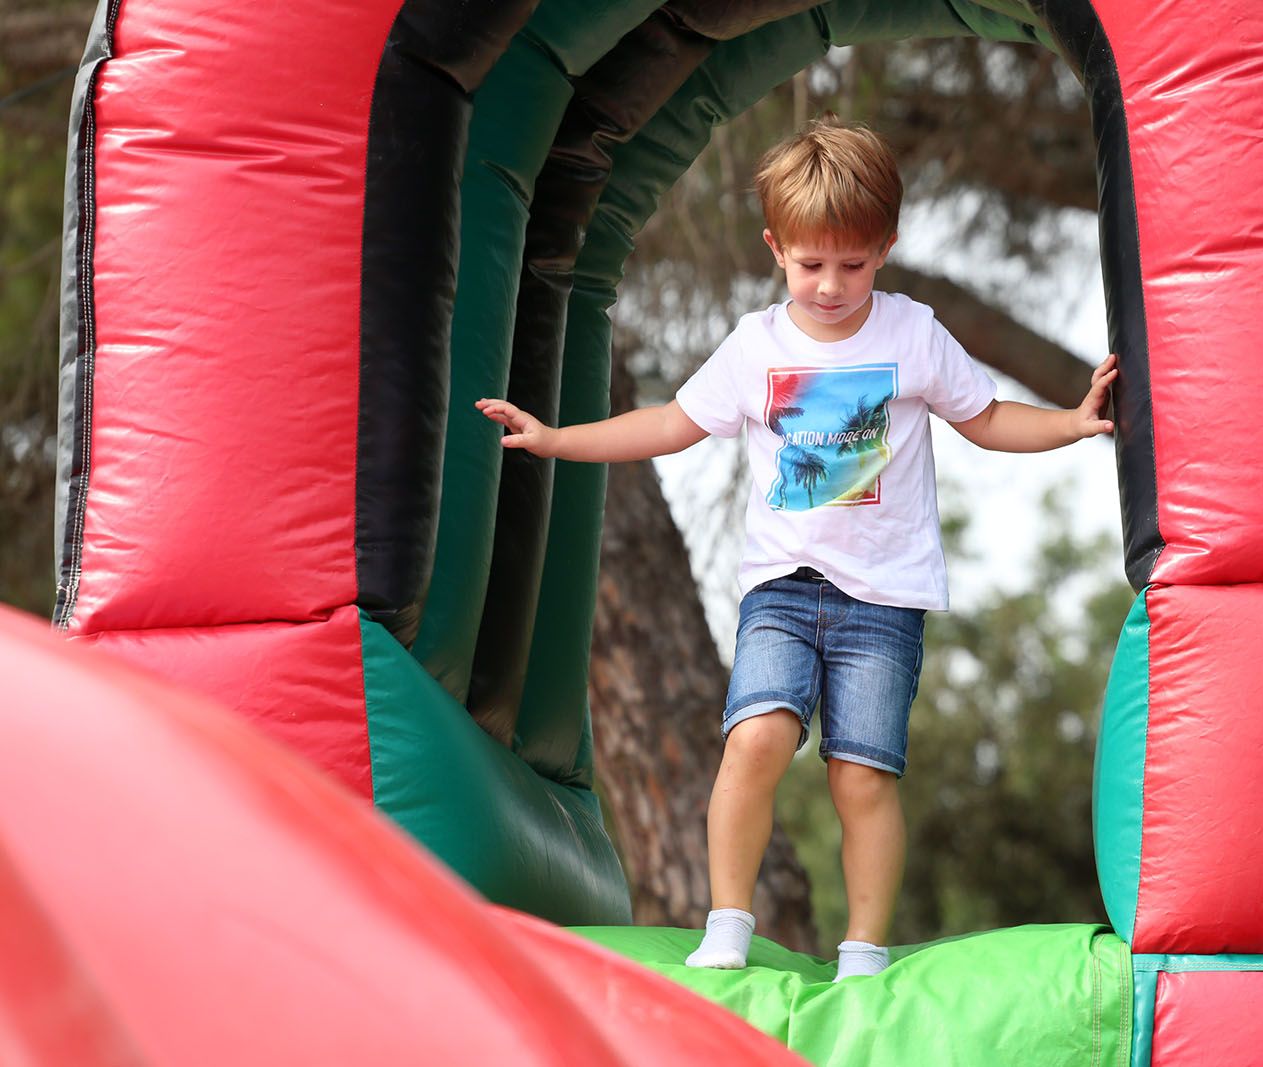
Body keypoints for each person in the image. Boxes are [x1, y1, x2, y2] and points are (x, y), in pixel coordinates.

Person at [477, 115, 1116, 981]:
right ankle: (728, 922)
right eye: (811, 264)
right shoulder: (756, 347)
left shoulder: (913, 335)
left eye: (852, 265)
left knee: (862, 777)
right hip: (783, 586)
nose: (829, 285)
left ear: (884, 248)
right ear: (777, 248)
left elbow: (990, 417)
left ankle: (863, 950)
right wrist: (557, 438)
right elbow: (670, 421)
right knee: (756, 740)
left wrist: (1073, 424)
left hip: (883, 599)